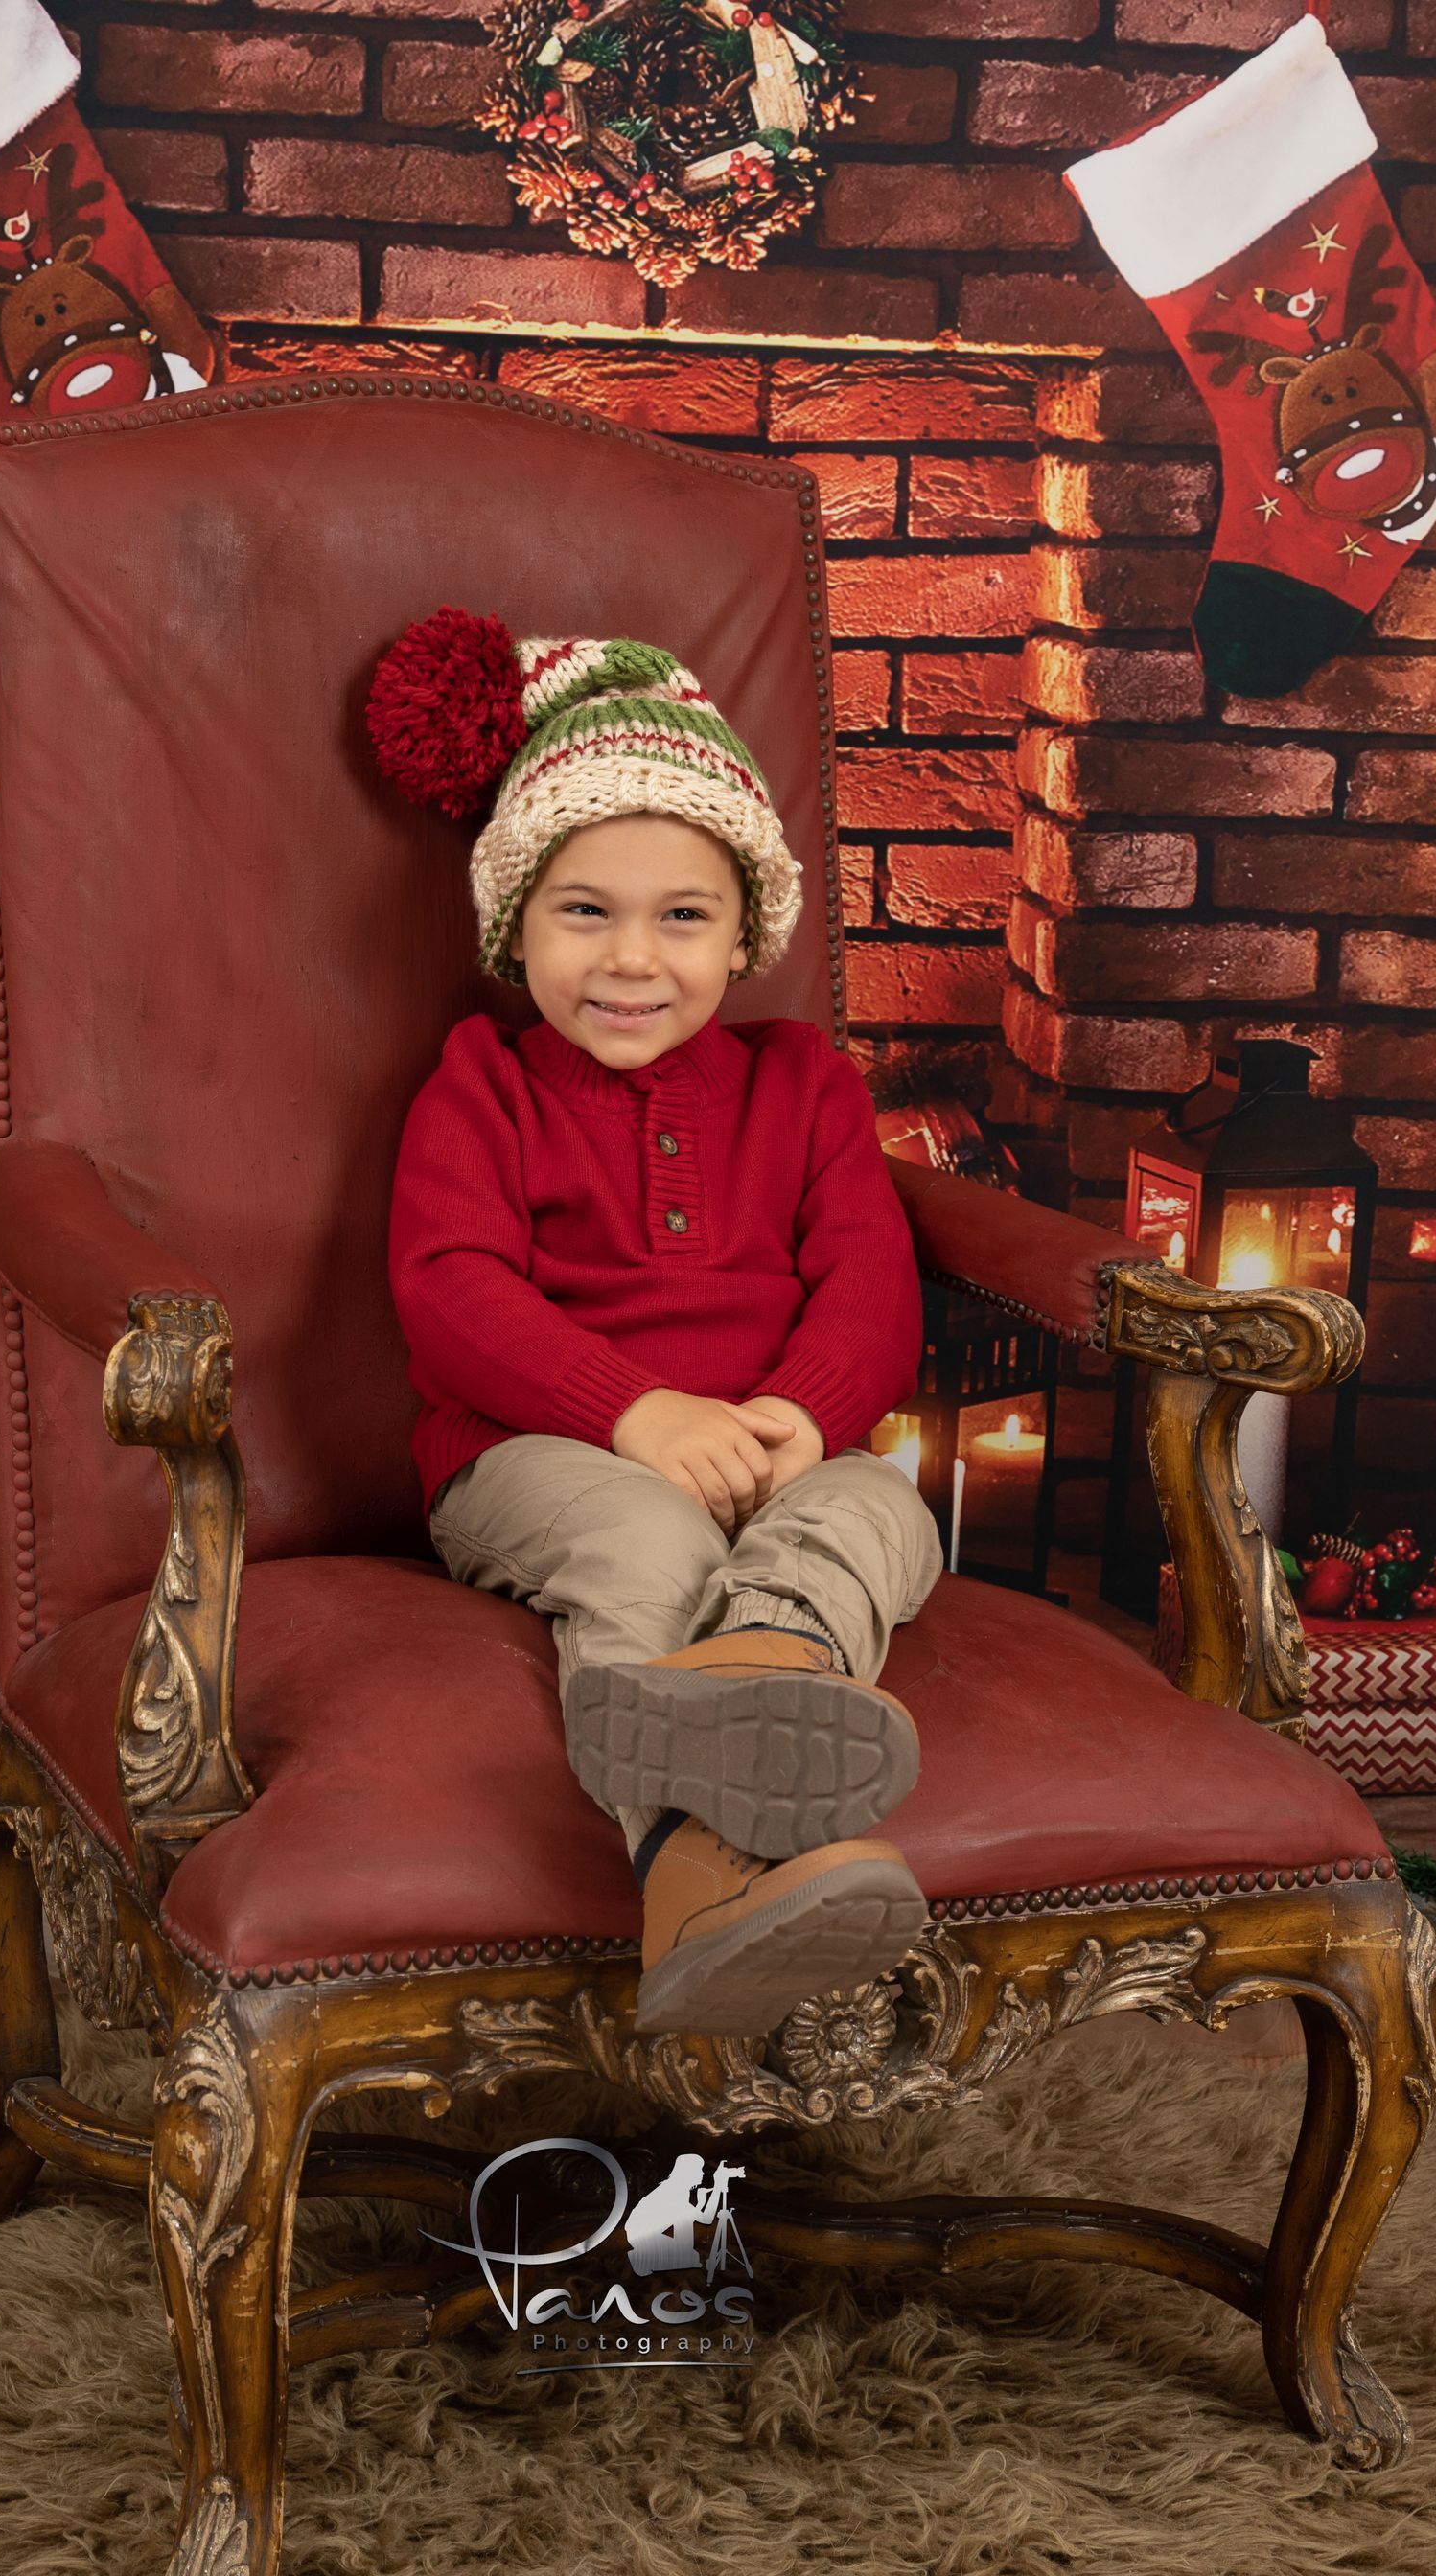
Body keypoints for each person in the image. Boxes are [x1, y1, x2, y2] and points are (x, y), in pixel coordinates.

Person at [372, 610, 943, 2040]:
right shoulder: (480, 1088)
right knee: (652, 1540)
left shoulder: (806, 1085)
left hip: (779, 1442)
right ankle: (692, 1864)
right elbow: (450, 1292)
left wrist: (805, 1414)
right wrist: (639, 1415)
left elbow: (871, 1272)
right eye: (585, 911)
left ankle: (758, 1675)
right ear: (515, 923)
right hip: (537, 1453)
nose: (633, 960)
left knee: (885, 1514)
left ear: (745, 933)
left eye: (682, 916)